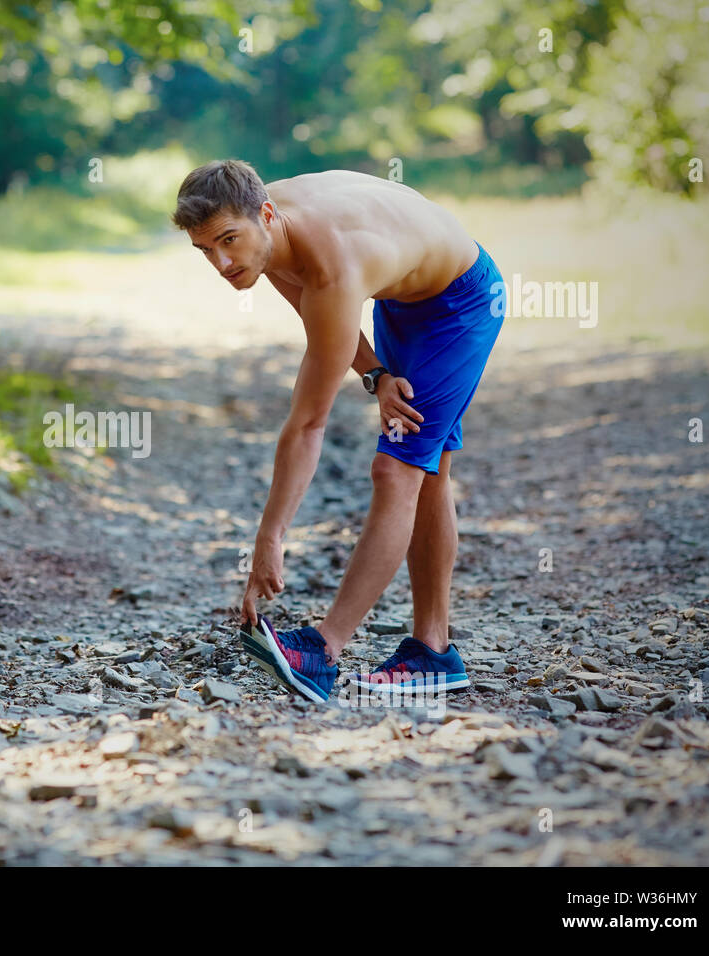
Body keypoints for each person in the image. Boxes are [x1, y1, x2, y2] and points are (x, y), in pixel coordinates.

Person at [172, 159, 503, 702]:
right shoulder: (268, 237)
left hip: (458, 303)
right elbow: (318, 309)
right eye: (205, 249)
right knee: (430, 471)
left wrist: (270, 538)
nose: (222, 262)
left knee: (395, 468)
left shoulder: (332, 264)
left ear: (267, 214)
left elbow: (307, 424)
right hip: (401, 301)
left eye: (228, 241)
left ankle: (323, 650)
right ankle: (434, 652)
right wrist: (375, 375)